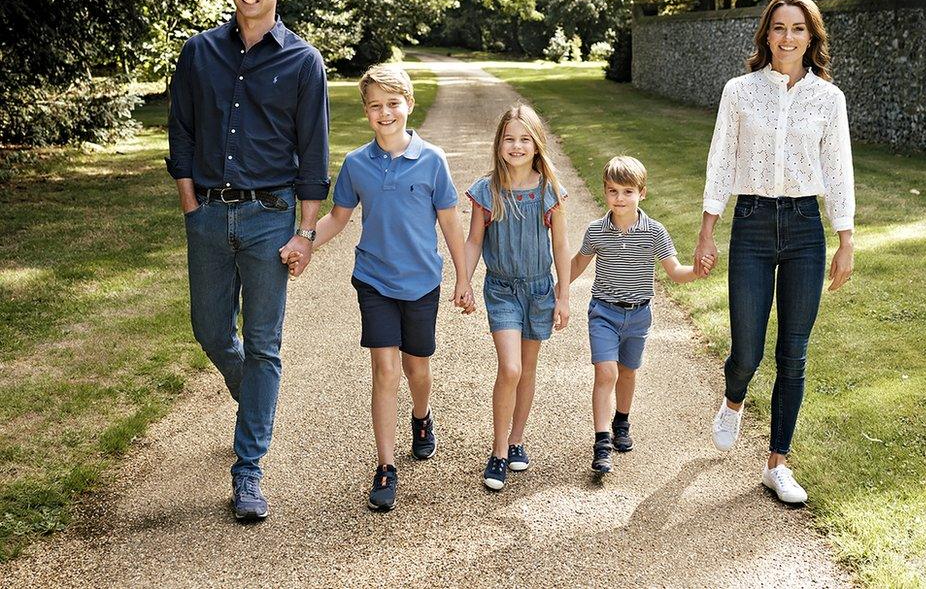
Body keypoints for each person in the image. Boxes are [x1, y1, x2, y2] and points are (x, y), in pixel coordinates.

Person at [166, 0, 329, 521]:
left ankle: (248, 470)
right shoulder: (199, 52)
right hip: (208, 214)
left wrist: (306, 232)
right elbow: (180, 133)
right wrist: (191, 205)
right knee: (210, 330)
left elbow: (314, 156)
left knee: (264, 344)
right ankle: (253, 402)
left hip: (269, 218)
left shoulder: (305, 63)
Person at [284, 64, 473, 512]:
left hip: (422, 281)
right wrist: (303, 241)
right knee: (385, 372)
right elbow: (338, 218)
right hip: (374, 280)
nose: (385, 113)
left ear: (409, 104)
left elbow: (450, 221)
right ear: (366, 112)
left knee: (417, 369)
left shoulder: (432, 160)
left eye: (393, 103)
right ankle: (386, 466)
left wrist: (463, 277)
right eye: (375, 106)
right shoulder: (356, 164)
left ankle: (422, 417)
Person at [695, 0, 855, 504]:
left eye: (798, 29)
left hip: (807, 226)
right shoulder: (740, 91)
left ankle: (777, 463)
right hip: (753, 223)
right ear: (766, 34)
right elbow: (721, 159)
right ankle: (733, 398)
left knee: (794, 353)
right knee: (747, 350)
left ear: (812, 37)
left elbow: (838, 170)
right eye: (779, 28)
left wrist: (844, 237)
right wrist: (706, 229)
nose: (788, 37)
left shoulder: (828, 99)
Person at [570, 156, 712, 474]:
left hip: (638, 316)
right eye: (613, 191)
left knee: (628, 373)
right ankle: (602, 442)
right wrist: (557, 292)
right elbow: (577, 264)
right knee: (606, 373)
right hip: (603, 313)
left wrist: (696, 272)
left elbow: (675, 272)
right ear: (605, 192)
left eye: (627, 191)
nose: (620, 198)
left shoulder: (655, 232)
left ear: (642, 193)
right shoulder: (596, 232)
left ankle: (622, 420)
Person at [464, 104, 571, 492]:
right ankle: (497, 451)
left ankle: (517, 438)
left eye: (525, 139)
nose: (516, 145)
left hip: (540, 290)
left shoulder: (549, 191)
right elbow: (475, 240)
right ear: (499, 144)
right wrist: (464, 279)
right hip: (503, 290)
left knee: (527, 368)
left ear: (537, 144)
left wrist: (563, 294)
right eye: (509, 138)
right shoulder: (486, 191)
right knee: (509, 369)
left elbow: (560, 245)